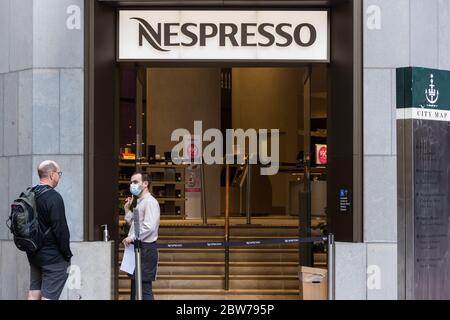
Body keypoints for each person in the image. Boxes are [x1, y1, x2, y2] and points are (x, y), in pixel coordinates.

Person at [28, 160, 73, 300]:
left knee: (33, 293)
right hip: (53, 258)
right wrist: (66, 254)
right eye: (59, 174)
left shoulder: (30, 193)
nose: (59, 177)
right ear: (52, 175)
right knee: (49, 297)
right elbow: (61, 230)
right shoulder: (54, 197)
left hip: (34, 254)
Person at [123, 172, 160, 300]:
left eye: (135, 182)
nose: (132, 185)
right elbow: (135, 224)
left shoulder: (150, 202)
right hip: (138, 248)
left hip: (145, 248)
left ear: (145, 183)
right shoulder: (141, 202)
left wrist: (131, 237)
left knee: (144, 289)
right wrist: (127, 209)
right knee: (135, 287)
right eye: (131, 182)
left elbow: (149, 227)